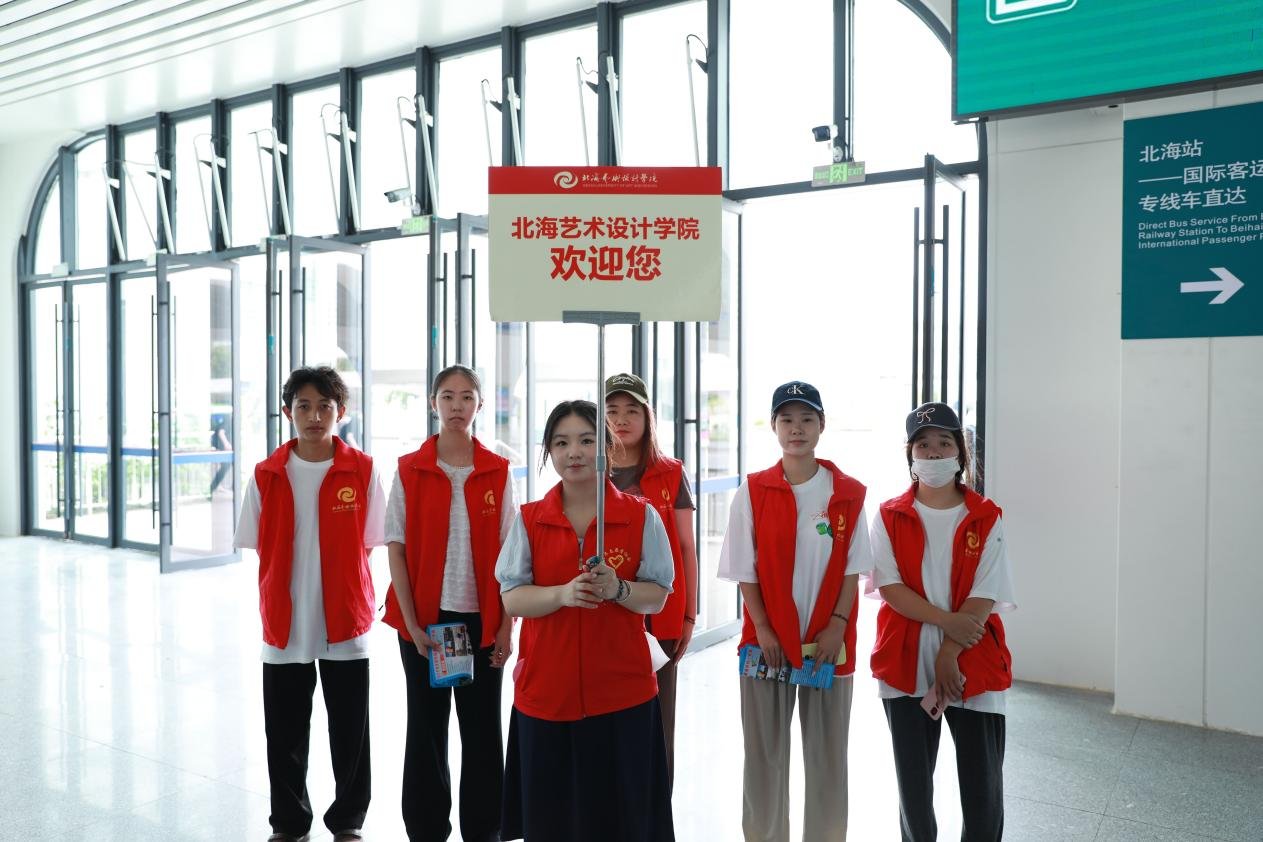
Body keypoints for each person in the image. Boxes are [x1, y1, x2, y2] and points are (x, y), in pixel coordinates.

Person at [496, 400, 676, 842]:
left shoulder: (640, 516)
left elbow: (658, 595)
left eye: (586, 440)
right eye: (561, 443)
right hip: (546, 695)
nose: (573, 452)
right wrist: (561, 594)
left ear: (606, 449)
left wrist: (619, 590)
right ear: (548, 452)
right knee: (552, 822)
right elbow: (512, 597)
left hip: (622, 697)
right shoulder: (530, 519)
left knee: (621, 823)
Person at [233, 365, 385, 842]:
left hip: (346, 618)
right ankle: (289, 822)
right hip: (286, 620)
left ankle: (348, 821)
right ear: (288, 412)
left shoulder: (363, 470)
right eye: (304, 406)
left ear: (342, 412)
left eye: (325, 406)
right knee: (285, 733)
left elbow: (374, 541)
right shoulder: (267, 474)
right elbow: (256, 543)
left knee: (350, 732)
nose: (315, 416)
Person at [718, 381, 873, 842]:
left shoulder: (846, 493)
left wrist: (838, 625)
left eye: (807, 419)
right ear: (773, 426)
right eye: (786, 419)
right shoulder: (754, 490)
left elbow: (853, 568)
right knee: (764, 758)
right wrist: (763, 627)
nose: (796, 429)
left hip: (827, 645)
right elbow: (743, 567)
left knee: (827, 759)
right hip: (766, 644)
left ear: (822, 425)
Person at [381, 364, 518, 842]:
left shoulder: (498, 470)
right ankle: (425, 829)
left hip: (482, 622)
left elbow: (512, 556)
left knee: (482, 731)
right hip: (425, 622)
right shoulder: (410, 468)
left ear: (480, 405)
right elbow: (395, 547)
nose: (457, 406)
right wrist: (412, 624)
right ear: (432, 403)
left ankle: (485, 829)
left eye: (466, 397)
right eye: (447, 396)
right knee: (426, 730)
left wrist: (506, 628)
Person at [869, 402, 1016, 842]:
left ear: (960, 453)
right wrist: (947, 624)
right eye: (923, 445)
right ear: (910, 454)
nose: (933, 453)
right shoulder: (888, 515)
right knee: (914, 794)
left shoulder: (986, 516)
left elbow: (985, 594)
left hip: (974, 661)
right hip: (905, 663)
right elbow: (890, 588)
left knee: (983, 792)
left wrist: (950, 652)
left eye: (944, 443)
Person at [604, 372, 698, 782]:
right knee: (609, 718)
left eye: (631, 411)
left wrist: (689, 615)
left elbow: (686, 547)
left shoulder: (670, 473)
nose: (621, 420)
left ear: (647, 417)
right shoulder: (590, 469)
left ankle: (657, 805)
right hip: (605, 614)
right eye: (612, 411)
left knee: (658, 720)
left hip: (660, 616)